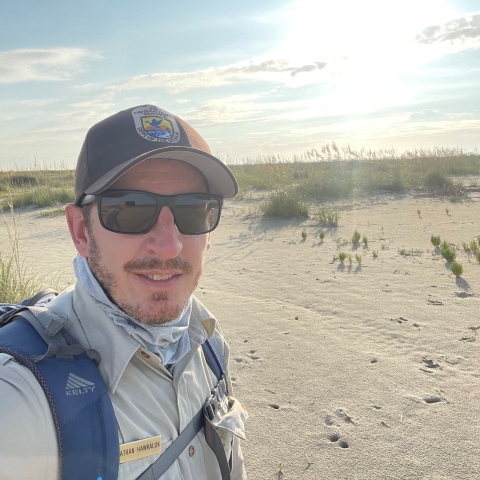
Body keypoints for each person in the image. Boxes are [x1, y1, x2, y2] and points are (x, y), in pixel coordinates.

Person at [0, 104, 247, 479]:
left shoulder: (209, 341)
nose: (169, 246)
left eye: (193, 210)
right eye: (130, 210)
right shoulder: (22, 400)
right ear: (81, 231)